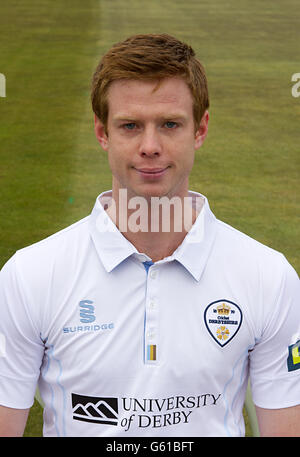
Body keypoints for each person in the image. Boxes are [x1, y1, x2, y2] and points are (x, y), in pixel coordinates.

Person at [0, 33, 299, 437]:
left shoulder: (268, 276)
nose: (150, 146)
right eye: (130, 126)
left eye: (170, 124)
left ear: (201, 129)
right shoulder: (30, 276)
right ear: (102, 133)